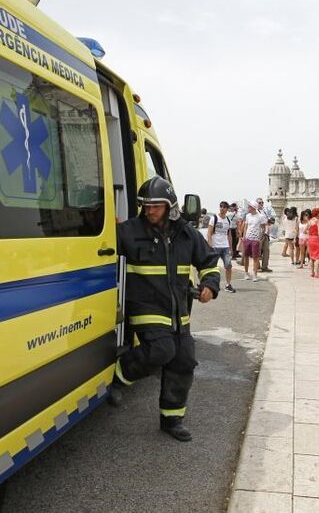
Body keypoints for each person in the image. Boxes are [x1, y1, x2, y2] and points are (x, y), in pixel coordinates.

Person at [108, 176, 221, 441]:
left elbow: (209, 261)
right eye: (146, 206)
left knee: (183, 360)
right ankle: (120, 375)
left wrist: (210, 285)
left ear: (170, 206)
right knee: (161, 350)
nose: (150, 211)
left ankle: (172, 419)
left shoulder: (187, 234)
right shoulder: (129, 231)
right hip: (145, 306)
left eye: (155, 206)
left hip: (178, 311)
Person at [207, 201, 236, 293]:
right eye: (220, 206)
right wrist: (210, 245)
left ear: (227, 209)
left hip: (225, 246)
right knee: (212, 266)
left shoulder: (228, 220)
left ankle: (228, 284)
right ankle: (211, 284)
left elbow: (229, 235)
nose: (222, 208)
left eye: (224, 207)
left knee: (228, 265)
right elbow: (209, 233)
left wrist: (231, 248)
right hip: (215, 246)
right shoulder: (214, 218)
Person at [241, 200, 268, 282]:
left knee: (255, 257)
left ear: (253, 207)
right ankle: (246, 273)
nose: (248, 208)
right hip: (247, 239)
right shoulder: (248, 216)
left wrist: (260, 238)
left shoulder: (260, 216)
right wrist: (244, 236)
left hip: (256, 239)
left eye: (249, 206)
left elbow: (263, 227)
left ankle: (255, 275)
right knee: (245, 256)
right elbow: (246, 226)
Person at [306, 208, 319, 278]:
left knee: (312, 257)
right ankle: (317, 273)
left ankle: (312, 272)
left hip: (310, 239)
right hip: (316, 239)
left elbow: (306, 230)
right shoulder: (318, 221)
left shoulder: (309, 221)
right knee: (318, 257)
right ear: (318, 214)